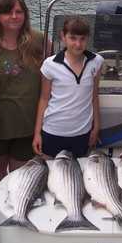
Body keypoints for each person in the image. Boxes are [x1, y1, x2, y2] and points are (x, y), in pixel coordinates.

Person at [0, 0, 48, 193]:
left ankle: (16, 209)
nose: (14, 16)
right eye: (8, 12)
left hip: (27, 125)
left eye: (19, 12)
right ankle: (1, 206)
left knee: (20, 175)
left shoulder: (40, 40)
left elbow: (54, 74)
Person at [32, 17, 103, 158]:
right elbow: (44, 99)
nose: (78, 44)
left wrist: (96, 127)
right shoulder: (49, 64)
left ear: (88, 39)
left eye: (82, 39)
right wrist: (37, 133)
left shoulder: (96, 62)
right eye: (73, 38)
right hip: (52, 131)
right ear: (63, 37)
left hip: (82, 133)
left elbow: (94, 96)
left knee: (76, 176)